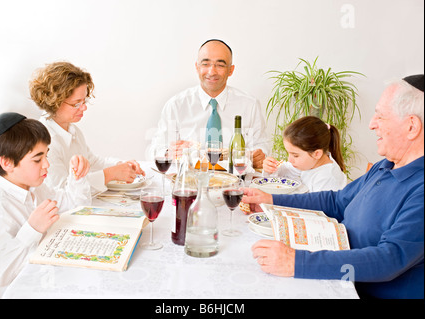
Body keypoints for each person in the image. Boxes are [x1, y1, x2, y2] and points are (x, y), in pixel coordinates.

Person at [244, 75, 424, 299]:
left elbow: (389, 259)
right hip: (338, 278)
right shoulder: (385, 166)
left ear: (411, 126)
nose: (371, 124)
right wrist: (270, 201)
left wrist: (295, 262)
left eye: (381, 115)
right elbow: (337, 201)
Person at [0, 112, 92, 298]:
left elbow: (77, 206)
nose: (47, 164)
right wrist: (32, 229)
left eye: (47, 155)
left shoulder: (35, 188)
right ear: (6, 163)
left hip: (51, 276)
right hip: (29, 291)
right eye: (38, 159)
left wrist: (77, 177)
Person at [149, 39, 270, 168]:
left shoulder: (249, 105)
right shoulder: (176, 105)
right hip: (190, 182)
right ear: (197, 67)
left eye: (220, 65)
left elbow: (262, 145)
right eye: (205, 64)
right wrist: (168, 152)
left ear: (231, 70)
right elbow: (156, 149)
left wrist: (260, 156)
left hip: (235, 181)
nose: (212, 72)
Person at [29, 61, 145, 194]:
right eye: (76, 104)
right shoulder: (43, 140)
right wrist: (110, 174)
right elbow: (62, 190)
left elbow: (92, 162)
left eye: (84, 101)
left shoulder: (72, 130)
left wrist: (121, 165)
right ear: (54, 102)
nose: (84, 108)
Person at [262, 116, 347, 192]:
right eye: (289, 153)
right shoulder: (311, 163)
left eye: (295, 155)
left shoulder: (328, 178)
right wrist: (271, 167)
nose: (289, 159)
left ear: (316, 154)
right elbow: (286, 170)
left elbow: (321, 208)